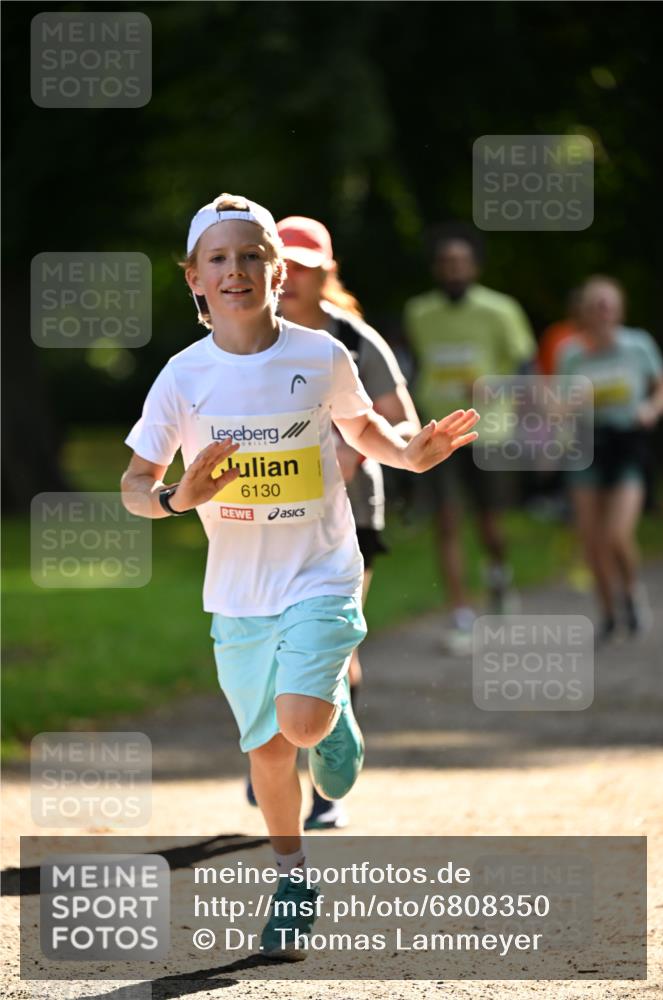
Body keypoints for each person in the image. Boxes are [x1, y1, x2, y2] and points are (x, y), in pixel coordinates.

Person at [120, 192, 480, 960]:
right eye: (218, 258)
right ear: (193, 278)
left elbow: (364, 427)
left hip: (320, 571)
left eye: (251, 255)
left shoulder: (321, 356)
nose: (236, 270)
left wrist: (410, 452)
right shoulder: (183, 378)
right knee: (270, 755)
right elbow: (134, 482)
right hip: (238, 594)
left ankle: (331, 716)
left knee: (303, 724)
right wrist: (175, 497)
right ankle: (293, 878)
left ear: (277, 272)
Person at [271, 214, 421, 830]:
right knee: (271, 648)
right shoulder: (246, 340)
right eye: (286, 263)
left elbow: (405, 424)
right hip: (267, 519)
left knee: (330, 646)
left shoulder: (354, 342)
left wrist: (356, 449)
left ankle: (328, 786)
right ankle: (275, 761)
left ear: (325, 273)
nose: (294, 278)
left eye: (308, 266)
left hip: (348, 519)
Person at [403, 223, 535, 650]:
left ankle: (499, 575)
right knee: (446, 521)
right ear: (437, 269)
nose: (453, 269)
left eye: (460, 262)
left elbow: (525, 365)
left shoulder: (500, 310)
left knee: (489, 522)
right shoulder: (419, 312)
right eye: (446, 263)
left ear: (474, 266)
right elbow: (415, 365)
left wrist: (501, 388)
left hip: (488, 431)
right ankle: (461, 615)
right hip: (437, 432)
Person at [558, 275, 663, 641]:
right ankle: (607, 613)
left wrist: (651, 407)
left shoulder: (638, 345)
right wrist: (567, 406)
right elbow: (557, 406)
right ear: (584, 313)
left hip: (628, 444)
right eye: (595, 305)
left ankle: (631, 592)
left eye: (608, 304)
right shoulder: (572, 353)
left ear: (619, 308)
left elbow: (662, 385)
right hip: (587, 448)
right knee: (592, 540)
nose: (603, 311)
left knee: (616, 534)